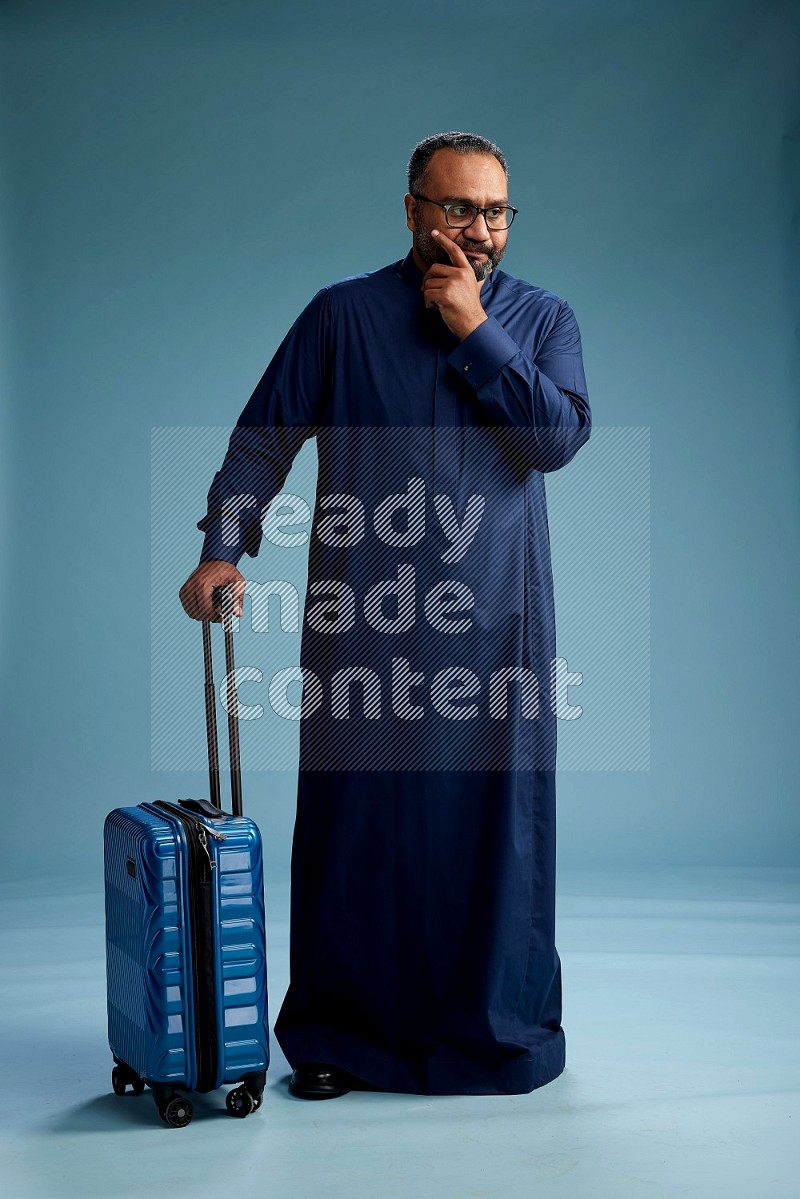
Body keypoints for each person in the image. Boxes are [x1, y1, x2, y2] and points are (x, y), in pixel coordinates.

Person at [179, 131, 591, 1099]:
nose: (476, 230)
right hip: (363, 615)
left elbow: (554, 440)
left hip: (498, 623)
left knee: (495, 828)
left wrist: (471, 328)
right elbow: (261, 440)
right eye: (454, 208)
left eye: (493, 211)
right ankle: (340, 1037)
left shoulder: (540, 318)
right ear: (410, 209)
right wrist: (220, 549)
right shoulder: (341, 315)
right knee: (358, 821)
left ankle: (497, 1033)